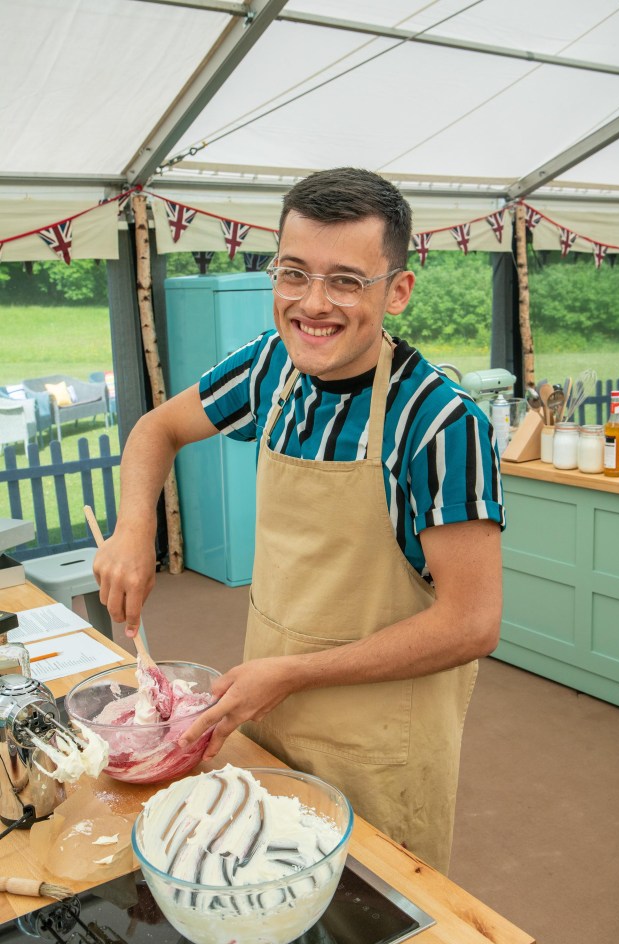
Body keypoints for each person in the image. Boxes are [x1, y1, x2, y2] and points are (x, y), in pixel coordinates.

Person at [94, 167, 504, 874]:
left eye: (346, 280)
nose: (312, 304)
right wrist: (135, 530)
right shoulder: (270, 371)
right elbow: (156, 429)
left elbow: (472, 623)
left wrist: (290, 673)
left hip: (380, 751)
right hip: (266, 714)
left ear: (397, 291)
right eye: (293, 273)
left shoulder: (440, 422)